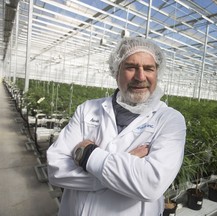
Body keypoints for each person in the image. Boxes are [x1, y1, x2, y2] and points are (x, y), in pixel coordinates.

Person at [47, 37, 186, 216]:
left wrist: (87, 155)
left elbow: (151, 185)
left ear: (157, 74)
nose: (140, 76)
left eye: (148, 68)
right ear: (116, 71)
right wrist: (115, 174)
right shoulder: (87, 109)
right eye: (131, 67)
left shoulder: (170, 120)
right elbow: (56, 169)